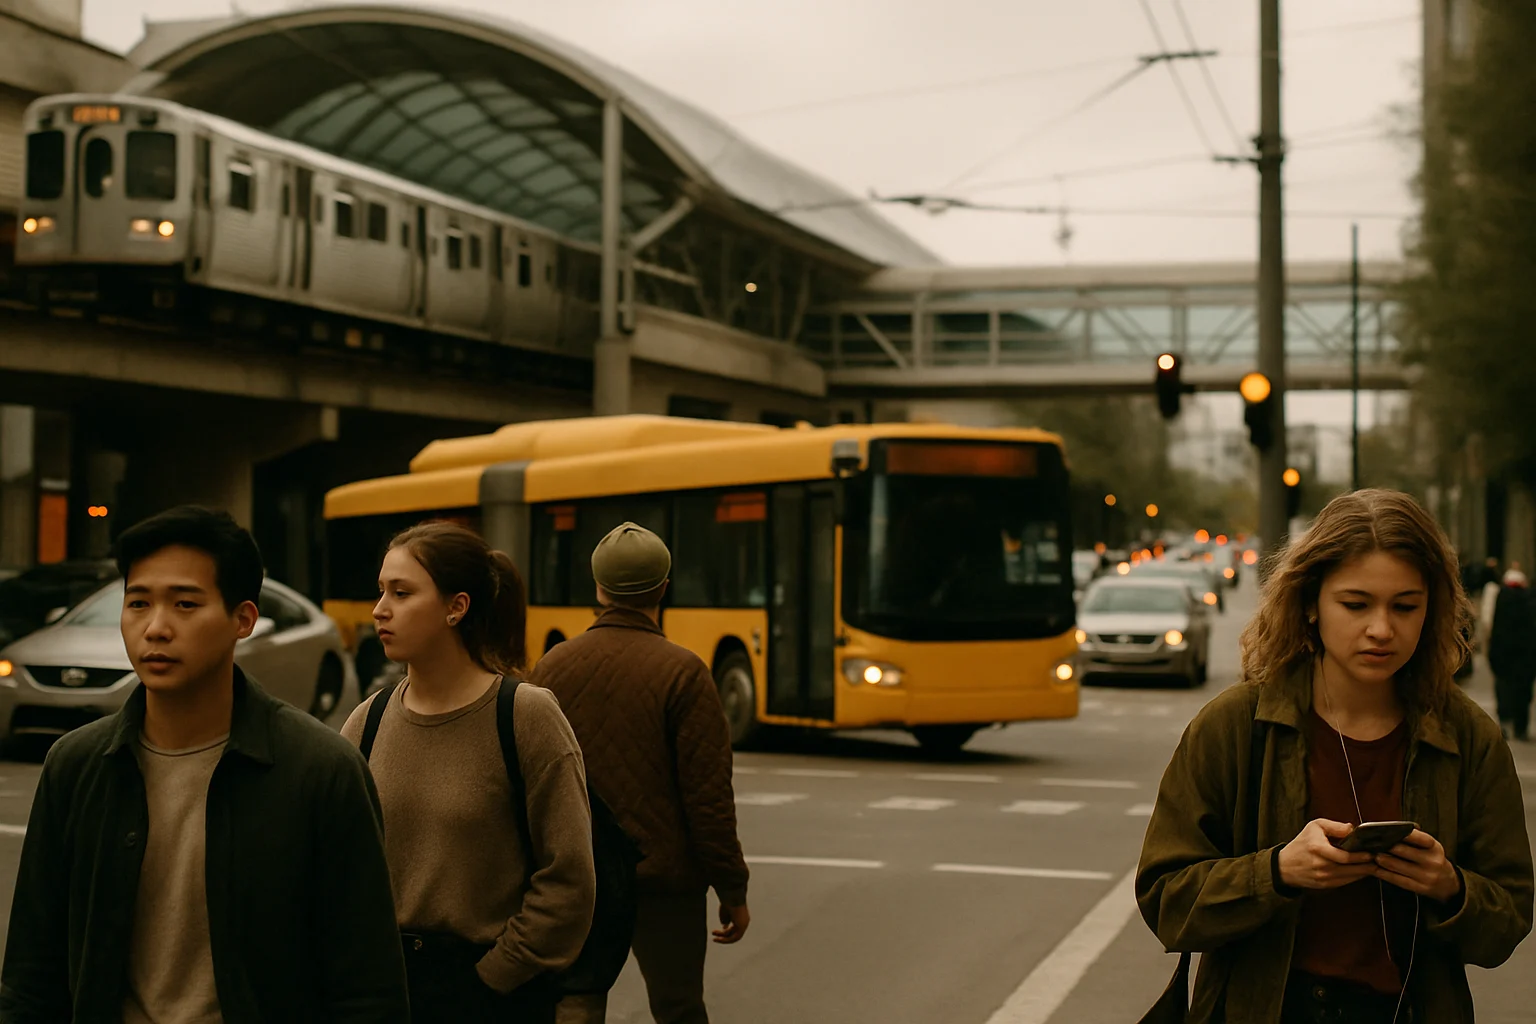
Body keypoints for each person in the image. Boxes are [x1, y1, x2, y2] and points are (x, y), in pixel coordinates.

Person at [0, 506, 410, 1023]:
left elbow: (367, 988)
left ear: (243, 619)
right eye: (138, 603)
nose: (155, 628)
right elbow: (30, 978)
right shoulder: (76, 766)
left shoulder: (320, 769)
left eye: (185, 604)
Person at [1137, 489, 1533, 1024]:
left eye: (1405, 606)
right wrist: (1276, 871)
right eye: (1355, 604)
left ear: (1432, 610)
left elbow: (1508, 919)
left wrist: (1450, 885)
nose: (1381, 629)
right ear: (1309, 603)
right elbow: (1165, 899)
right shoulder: (1234, 725)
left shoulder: (1469, 737)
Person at [340, 520, 596, 1024]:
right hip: (382, 987)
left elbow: (569, 879)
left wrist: (494, 977)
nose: (380, 609)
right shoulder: (365, 721)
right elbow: (335, 870)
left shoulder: (525, 715)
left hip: (489, 990)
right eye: (381, 591)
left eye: (402, 592)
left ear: (457, 607)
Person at [535, 522, 750, 1024]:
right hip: (666, 884)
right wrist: (731, 889)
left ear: (598, 588)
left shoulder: (552, 667)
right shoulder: (685, 672)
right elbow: (709, 797)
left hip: (578, 876)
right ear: (663, 588)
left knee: (575, 1005)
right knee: (678, 1008)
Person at [1487, 567, 1536, 741]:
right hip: (1525, 655)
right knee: (1523, 692)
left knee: (1504, 689)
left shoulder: (1502, 597)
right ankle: (1520, 727)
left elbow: (1494, 626)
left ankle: (1505, 723)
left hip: (1504, 654)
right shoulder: (1529, 599)